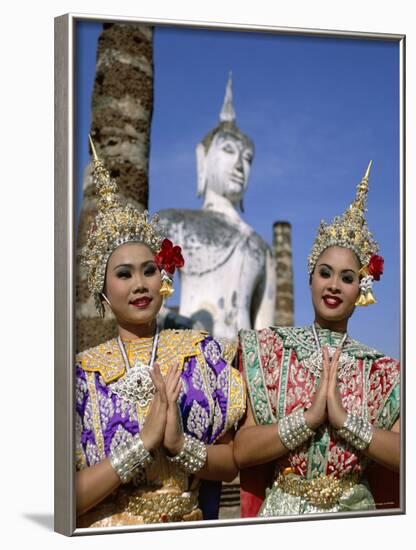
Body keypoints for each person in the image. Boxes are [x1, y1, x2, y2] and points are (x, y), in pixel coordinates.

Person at [75, 138, 246, 527]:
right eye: (124, 274)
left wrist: (178, 445)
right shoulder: (80, 375)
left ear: (163, 276)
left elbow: (231, 460)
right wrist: (142, 445)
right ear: (103, 291)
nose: (139, 284)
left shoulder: (200, 354)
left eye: (148, 270)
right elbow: (66, 497)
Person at [233, 161, 400, 517]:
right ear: (311, 278)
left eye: (348, 278)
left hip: (355, 517)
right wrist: (308, 420)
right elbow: (242, 451)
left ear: (361, 291)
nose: (334, 285)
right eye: (325, 273)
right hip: (283, 516)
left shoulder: (382, 371)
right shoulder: (269, 350)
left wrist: (344, 422)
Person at [157, 74, 276, 341]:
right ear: (203, 157)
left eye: (247, 158)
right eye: (228, 150)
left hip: (240, 368)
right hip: (184, 358)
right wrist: (179, 324)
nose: (239, 165)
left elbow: (264, 333)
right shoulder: (174, 224)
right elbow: (147, 305)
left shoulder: (260, 248)